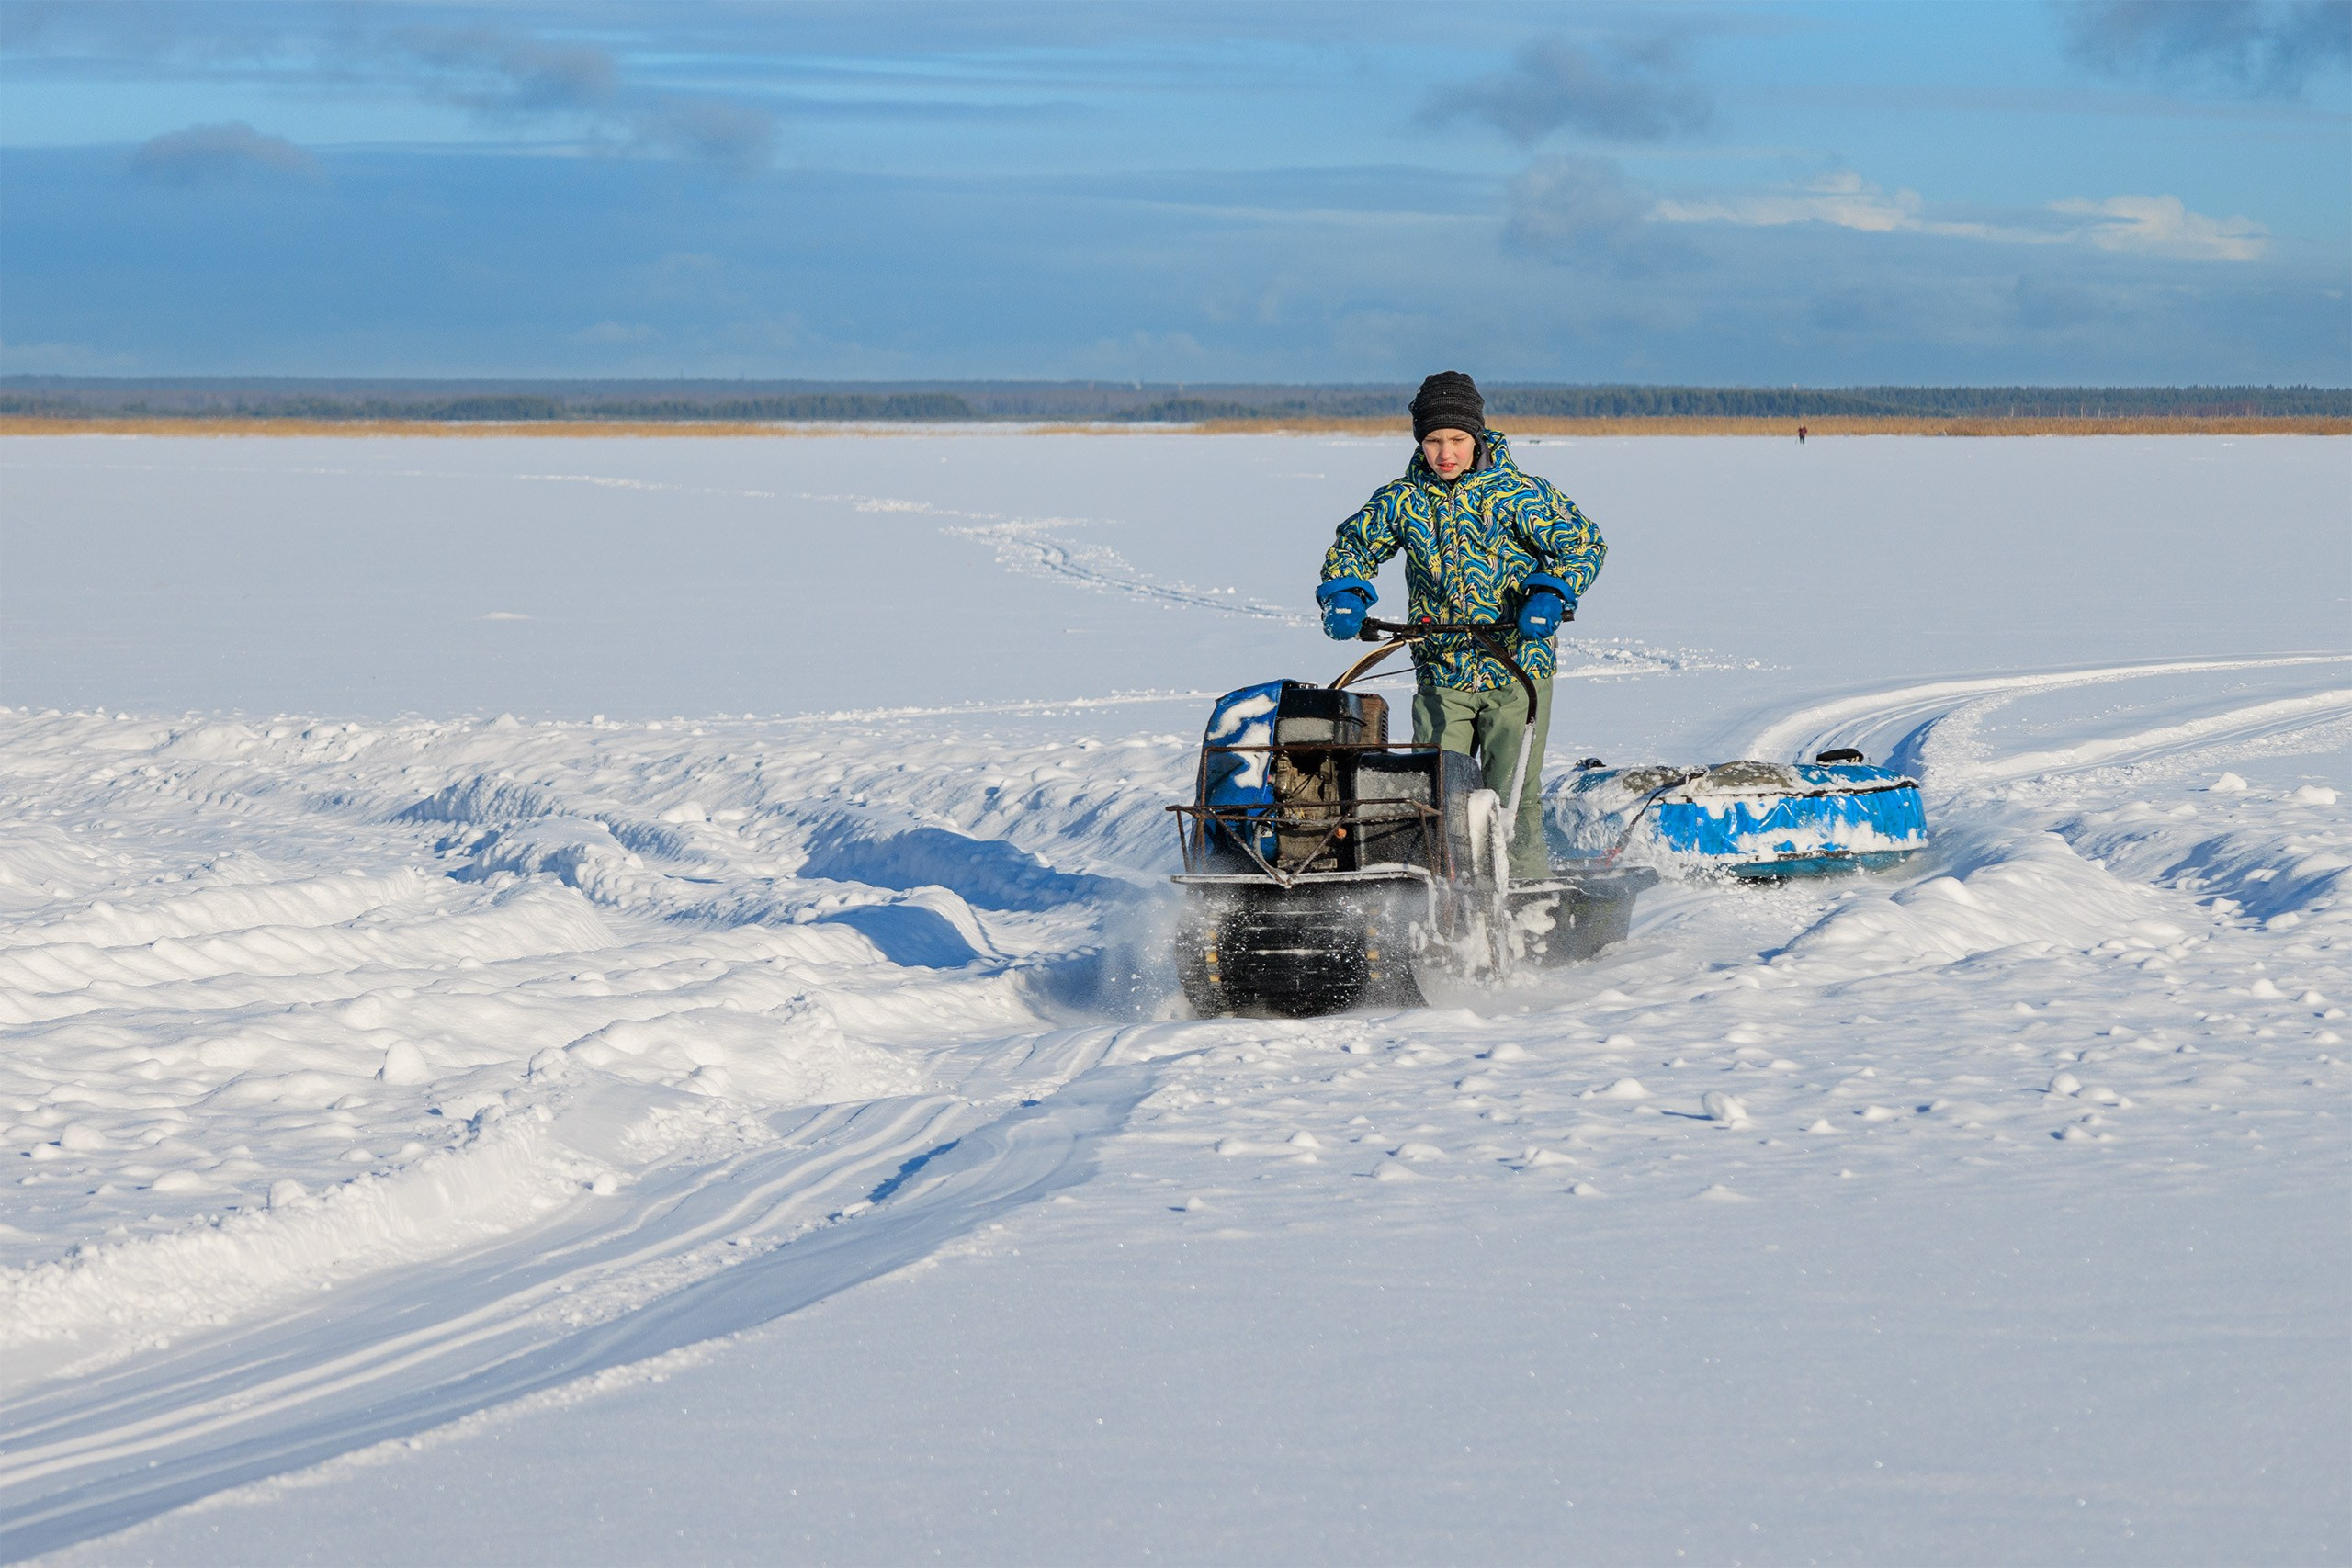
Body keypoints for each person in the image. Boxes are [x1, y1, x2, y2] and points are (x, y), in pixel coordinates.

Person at [1315, 370, 1605, 881]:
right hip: (1441, 672)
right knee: (1437, 799)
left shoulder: (1518, 494)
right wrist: (1344, 593)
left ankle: (1526, 906)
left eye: (1457, 440)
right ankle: (1441, 904)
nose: (1445, 453)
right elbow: (1353, 548)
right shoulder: (1402, 500)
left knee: (1513, 799)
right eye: (1433, 440)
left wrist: (1550, 592)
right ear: (1419, 442)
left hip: (1517, 668)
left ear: (1477, 437)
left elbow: (1584, 544)